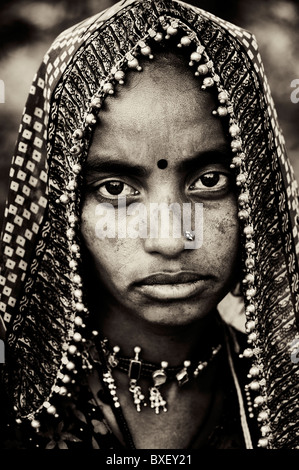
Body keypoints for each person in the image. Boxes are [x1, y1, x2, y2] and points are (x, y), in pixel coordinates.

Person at [0, 0, 298, 450]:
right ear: (64, 206)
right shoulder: (16, 399)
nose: (170, 239)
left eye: (210, 181)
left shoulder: (288, 396)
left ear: (255, 192)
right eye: (117, 189)